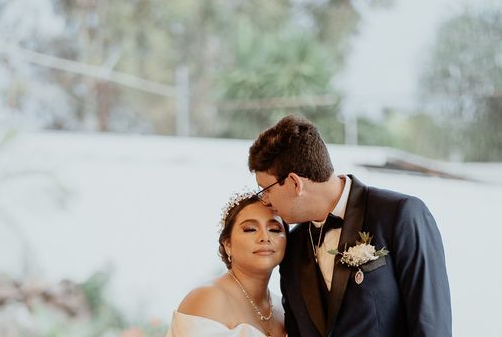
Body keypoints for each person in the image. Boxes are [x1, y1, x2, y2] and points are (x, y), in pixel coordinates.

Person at [248, 114, 452, 337]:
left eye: (266, 190)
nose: (265, 201)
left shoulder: (400, 215)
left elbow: (431, 326)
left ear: (295, 183)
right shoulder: (292, 246)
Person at [166, 193, 288, 337]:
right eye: (250, 229)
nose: (265, 238)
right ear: (227, 244)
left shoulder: (283, 307)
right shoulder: (208, 299)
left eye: (274, 229)